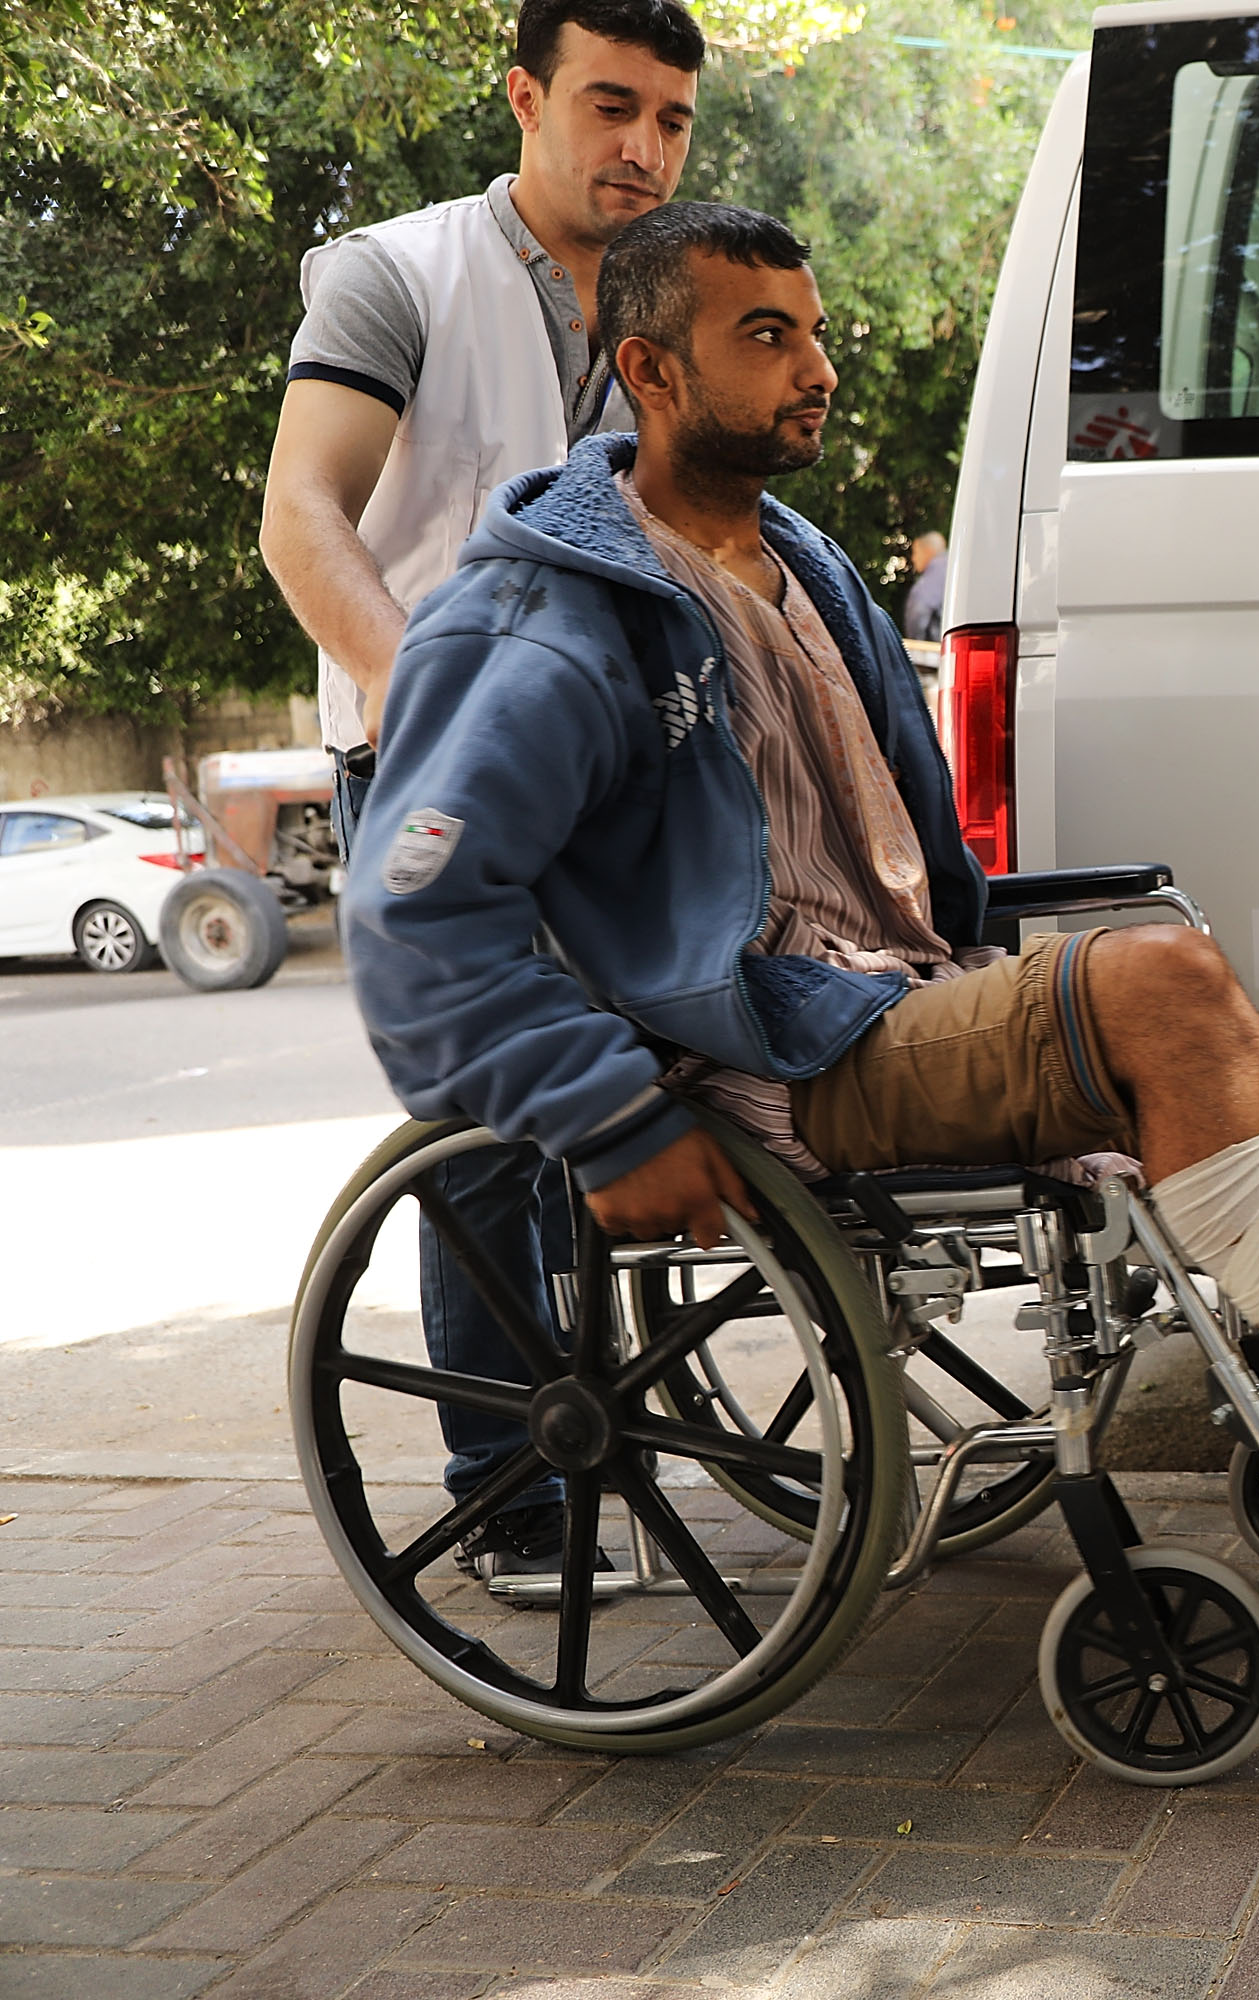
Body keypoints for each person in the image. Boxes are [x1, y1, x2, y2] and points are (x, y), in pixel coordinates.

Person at [345, 202, 1259, 1561]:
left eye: (814, 333)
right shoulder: (546, 612)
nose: (817, 370)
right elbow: (419, 918)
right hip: (768, 1050)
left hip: (889, 1001)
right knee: (1171, 987)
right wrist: (603, 1118)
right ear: (651, 372)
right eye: (766, 336)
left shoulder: (794, 563)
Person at [259, 0, 707, 1585]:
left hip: (627, 763)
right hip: (440, 757)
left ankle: (603, 1423)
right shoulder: (399, 271)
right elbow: (303, 512)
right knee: (497, 1121)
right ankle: (509, 1487)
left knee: (651, 1088)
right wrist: (426, 700)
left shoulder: (678, 296)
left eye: (669, 118)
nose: (642, 146)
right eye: (609, 106)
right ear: (525, 96)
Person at [900, 530, 948, 644]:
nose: (913, 558)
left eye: (916, 552)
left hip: (937, 650)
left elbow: (919, 611)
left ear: (928, 551)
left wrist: (917, 643)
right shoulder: (956, 570)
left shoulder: (932, 578)